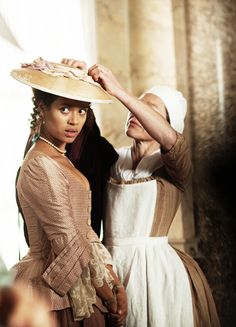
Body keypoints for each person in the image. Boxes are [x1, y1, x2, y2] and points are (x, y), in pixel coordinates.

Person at [62, 60, 220, 326]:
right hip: (110, 268)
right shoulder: (111, 158)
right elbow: (82, 133)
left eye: (148, 109)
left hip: (156, 275)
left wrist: (120, 92)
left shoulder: (173, 167)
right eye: (136, 105)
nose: (134, 111)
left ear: (167, 124)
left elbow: (174, 142)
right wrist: (81, 81)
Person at [10, 58, 127, 327]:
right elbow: (69, 243)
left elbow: (85, 234)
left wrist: (115, 286)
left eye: (82, 111)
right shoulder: (39, 163)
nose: (74, 120)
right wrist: (109, 298)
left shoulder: (59, 157)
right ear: (42, 109)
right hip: (50, 288)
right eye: (64, 109)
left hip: (83, 278)